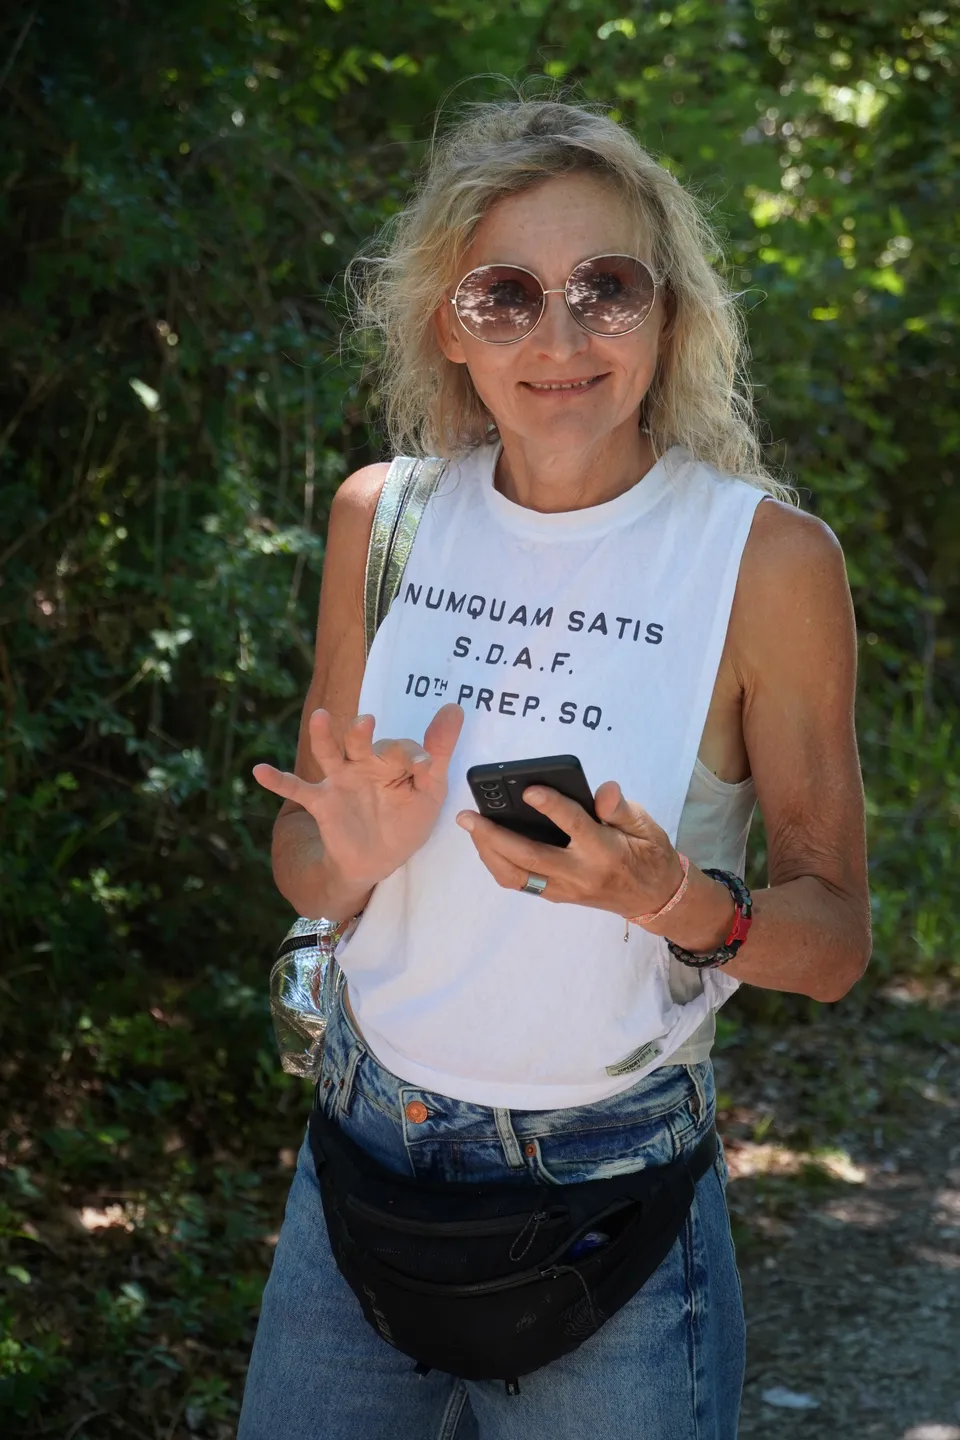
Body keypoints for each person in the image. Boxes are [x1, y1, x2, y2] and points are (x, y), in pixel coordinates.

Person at [238, 97, 871, 1440]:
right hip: (359, 1155)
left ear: (670, 313)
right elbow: (302, 864)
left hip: (611, 1200)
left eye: (607, 288)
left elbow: (832, 942)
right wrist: (352, 854)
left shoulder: (764, 562)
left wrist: (673, 902)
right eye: (507, 294)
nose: (562, 339)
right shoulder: (383, 519)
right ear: (447, 325)